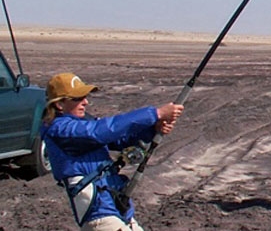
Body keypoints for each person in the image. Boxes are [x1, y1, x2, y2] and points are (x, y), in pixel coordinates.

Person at [40, 72, 183, 231]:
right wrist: (155, 114)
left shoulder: (82, 123)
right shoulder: (59, 129)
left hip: (113, 205)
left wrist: (152, 129)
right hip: (98, 214)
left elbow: (118, 139)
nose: (85, 102)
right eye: (78, 98)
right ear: (59, 105)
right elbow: (100, 132)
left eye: (85, 97)